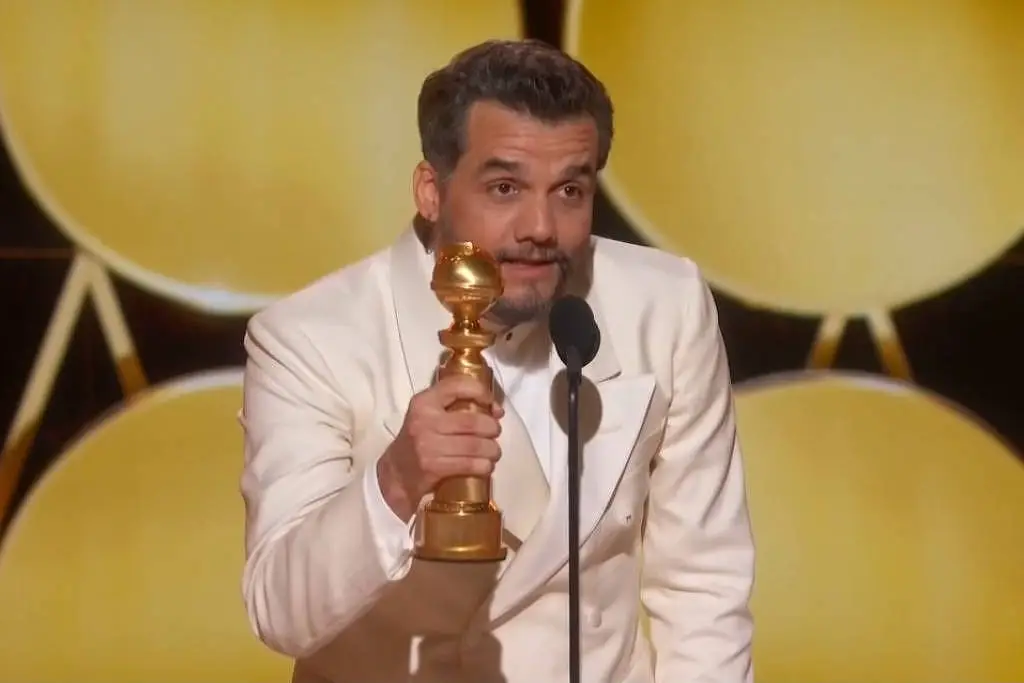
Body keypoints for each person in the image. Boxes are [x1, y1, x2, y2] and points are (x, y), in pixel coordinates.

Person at [240, 39, 755, 683]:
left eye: (569, 190)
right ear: (431, 190)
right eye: (505, 187)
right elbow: (281, 613)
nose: (541, 226)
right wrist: (396, 481)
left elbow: (704, 583)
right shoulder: (309, 338)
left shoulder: (664, 304)